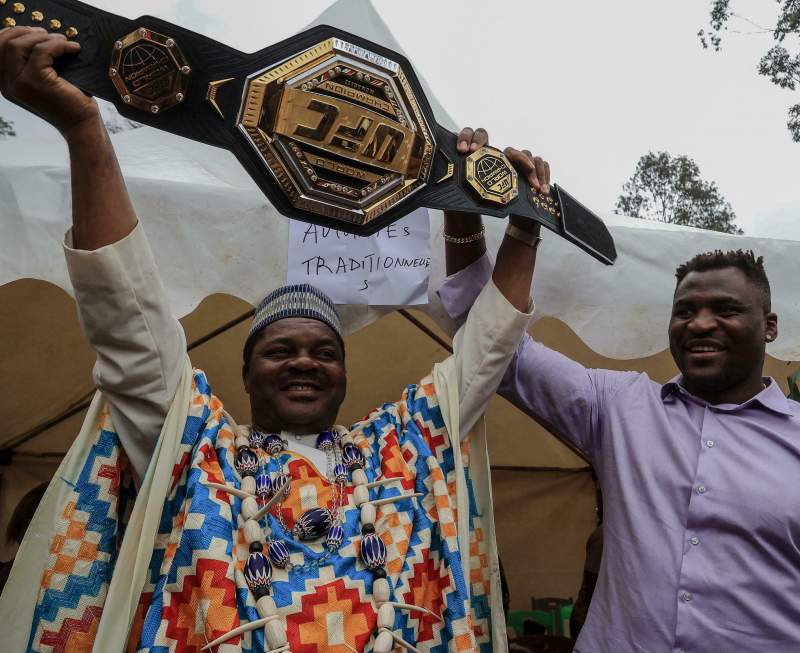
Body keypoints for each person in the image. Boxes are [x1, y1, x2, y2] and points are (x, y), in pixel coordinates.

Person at [0, 26, 549, 652]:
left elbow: (485, 352)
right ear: (246, 371)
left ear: (345, 373)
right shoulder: (202, 453)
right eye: (279, 350)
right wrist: (85, 131)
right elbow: (129, 322)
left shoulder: (395, 453)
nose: (304, 364)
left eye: (324, 352)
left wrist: (525, 231)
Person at [439, 213, 800, 650]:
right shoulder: (618, 408)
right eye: (685, 311)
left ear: (769, 326)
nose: (700, 324)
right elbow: (491, 345)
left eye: (725, 310)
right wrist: (480, 216)